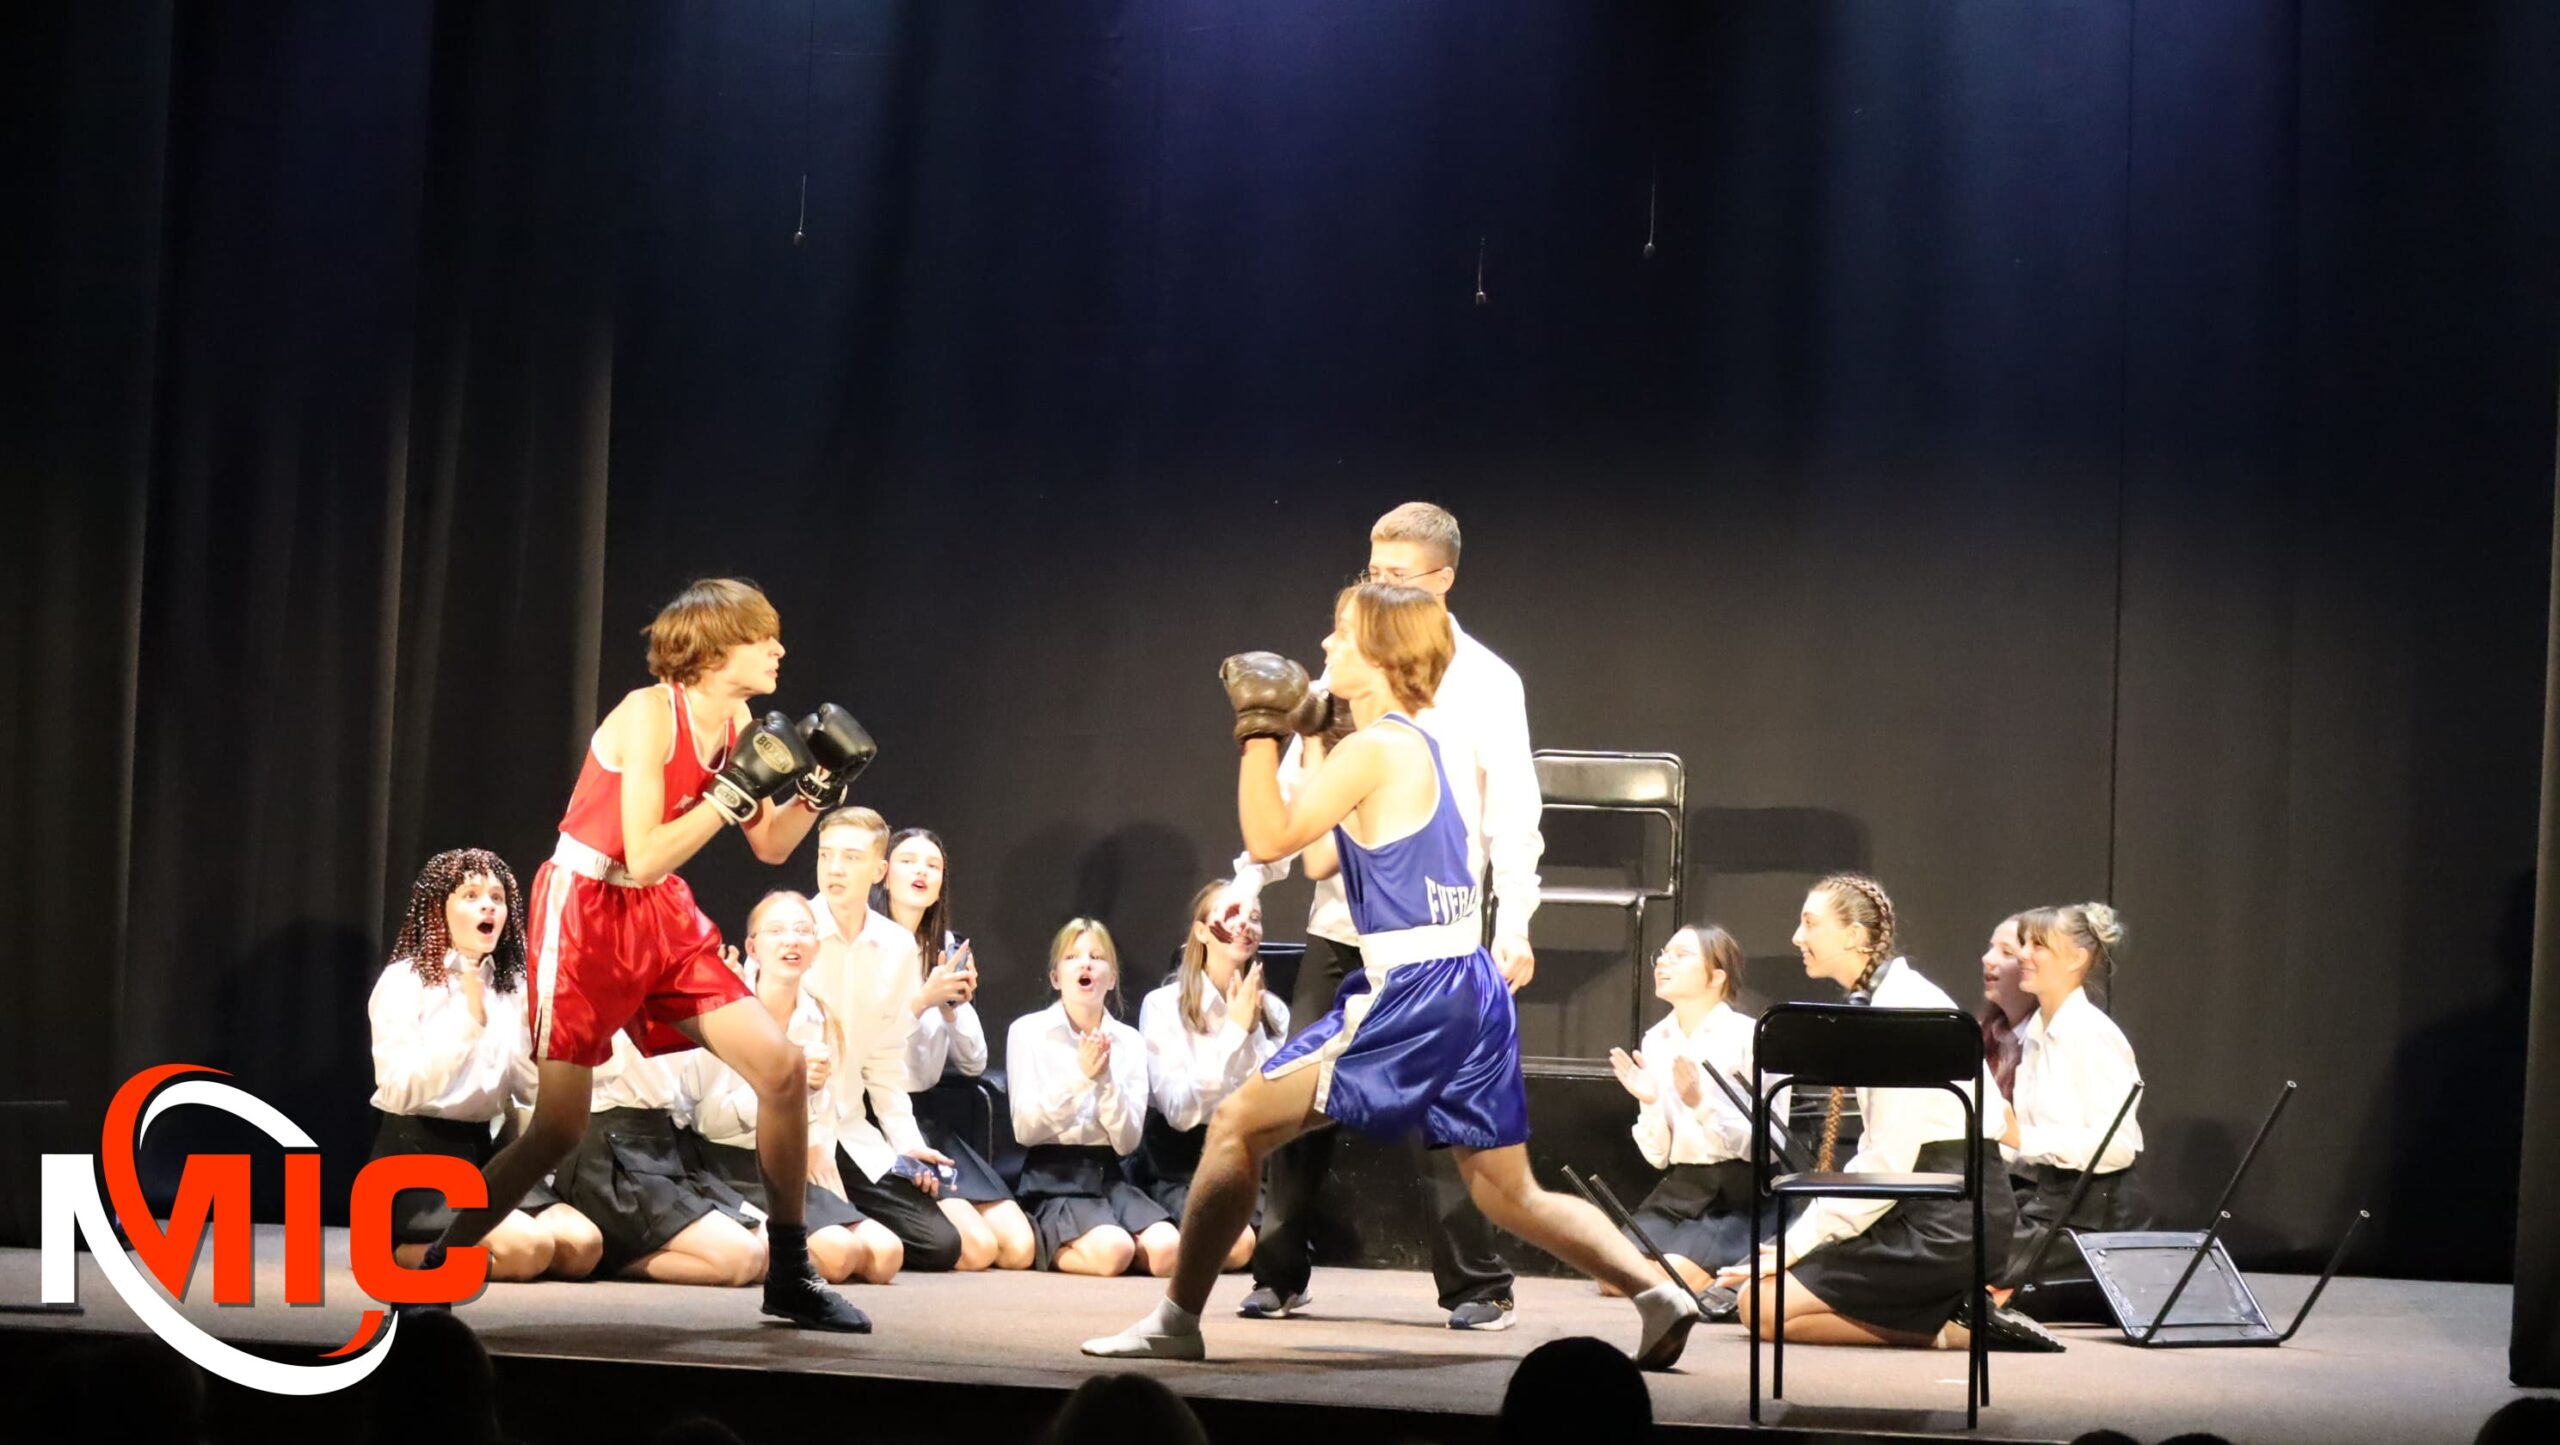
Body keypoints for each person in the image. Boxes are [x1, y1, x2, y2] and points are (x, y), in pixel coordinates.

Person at [1083, 583, 1698, 1367]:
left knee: (1236, 1124)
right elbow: (1318, 856)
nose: (1325, 646)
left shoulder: (1377, 750)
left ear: (1379, 654)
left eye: (1341, 635)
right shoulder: (1413, 743)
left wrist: (1259, 731)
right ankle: (1657, 1292)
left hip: (1414, 988)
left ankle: (1176, 1320)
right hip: (1467, 984)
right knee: (1510, 1192)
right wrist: (1314, 737)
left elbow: (1268, 837)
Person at [417, 578, 874, 1330]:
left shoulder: (737, 720)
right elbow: (647, 850)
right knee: (557, 1127)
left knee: (783, 1069)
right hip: (585, 907)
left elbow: (769, 845)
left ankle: (790, 1272)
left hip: (658, 913)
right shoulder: (648, 713)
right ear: (718, 646)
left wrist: (817, 790)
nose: (779, 649)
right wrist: (728, 794)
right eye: (763, 637)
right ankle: (440, 1266)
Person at [1229, 502, 1541, 1330]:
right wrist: (1248, 882)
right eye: (1372, 572)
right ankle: (1278, 1270)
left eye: (1397, 575)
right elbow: (1295, 803)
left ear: (1443, 579)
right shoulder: (1346, 667)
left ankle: (1477, 1283)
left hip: (1431, 938)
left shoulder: (1487, 681)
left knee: (1452, 1115)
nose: (1379, 588)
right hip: (1344, 923)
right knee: (1294, 1101)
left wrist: (1514, 923)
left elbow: (1513, 813)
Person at [1710, 875, 2054, 1352]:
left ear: (1853, 935)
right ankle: (1953, 1316)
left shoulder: (1902, 1006)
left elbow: (1889, 1162)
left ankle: (1962, 1329)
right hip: (1924, 1202)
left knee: (1762, 1305)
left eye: (1810, 923)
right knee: (1759, 1299)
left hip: (1946, 1220)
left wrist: (1796, 1245)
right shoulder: (1891, 997)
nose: (1796, 937)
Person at [368, 848, 602, 1281]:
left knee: (582, 1246)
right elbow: (397, 1089)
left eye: (497, 897)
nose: (488, 906)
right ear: (439, 908)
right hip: (418, 1157)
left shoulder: (512, 985)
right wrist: (468, 1026)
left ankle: (461, 1247)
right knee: (527, 1251)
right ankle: (397, 1252)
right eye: (471, 896)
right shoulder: (405, 981)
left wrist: (543, 1043)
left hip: (485, 1154)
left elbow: (525, 1089)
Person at [681, 890, 905, 1285]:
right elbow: (706, 1121)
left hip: (784, 1164)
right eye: (777, 931)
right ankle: (756, 1257)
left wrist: (817, 1140)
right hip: (724, 1162)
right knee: (839, 1254)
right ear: (753, 947)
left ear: (816, 946)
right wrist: (785, 1086)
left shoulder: (819, 1017)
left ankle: (775, 1251)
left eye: (803, 931)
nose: (791, 941)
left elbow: (821, 1112)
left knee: (886, 1254)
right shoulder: (726, 1012)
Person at [803, 806, 969, 1272]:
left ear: (878, 871)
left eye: (851, 857)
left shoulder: (895, 944)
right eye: (826, 855)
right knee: (857, 1256)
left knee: (941, 1245)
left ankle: (847, 1221)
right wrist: (809, 1139)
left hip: (851, 1131)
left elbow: (885, 1061)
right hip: (793, 1133)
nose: (835, 868)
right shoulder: (795, 929)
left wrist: (905, 1143)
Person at [878, 826, 1038, 1269]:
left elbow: (974, 1063)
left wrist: (953, 1008)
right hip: (881, 1115)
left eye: (933, 865)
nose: (921, 872)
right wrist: (922, 1000)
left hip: (929, 1116)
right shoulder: (868, 944)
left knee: (1018, 1248)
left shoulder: (946, 946)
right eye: (908, 861)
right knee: (976, 1249)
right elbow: (867, 1047)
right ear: (884, 874)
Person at [1603, 923, 1788, 1294]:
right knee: (1610, 1275)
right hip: (1684, 1187)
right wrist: (1650, 1103)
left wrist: (1702, 1105)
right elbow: (1658, 1157)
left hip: (1738, 1191)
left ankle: (1723, 1276)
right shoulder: (1656, 1039)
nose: (1663, 962)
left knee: (1669, 1279)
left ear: (1717, 976)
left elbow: (1772, 1144)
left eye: (1680, 955)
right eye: (1663, 954)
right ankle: (1713, 1276)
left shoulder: (1752, 1037)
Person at [1998, 902, 2151, 1306]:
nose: (2023, 954)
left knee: (1972, 1265)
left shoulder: (2091, 1034)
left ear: (2076, 958)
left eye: (2038, 945)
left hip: (2091, 1217)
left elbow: (2118, 1147)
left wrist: (2021, 1138)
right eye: (2023, 943)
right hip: (2044, 1200)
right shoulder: (2036, 1031)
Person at [1009, 920, 1181, 1275]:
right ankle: (1050, 1244)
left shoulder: (1129, 1041)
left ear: (1112, 978)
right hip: (1054, 1178)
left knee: (1168, 1249)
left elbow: (1127, 1142)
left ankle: (1106, 1243)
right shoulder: (1028, 1032)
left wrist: (1104, 1082)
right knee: (1115, 1250)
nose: (1085, 964)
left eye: (1097, 957)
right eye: (1072, 957)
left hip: (1108, 1176)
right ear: (1056, 977)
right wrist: (1080, 1077)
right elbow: (1025, 1130)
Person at [1134, 881, 1290, 1266]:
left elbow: (1270, 1101)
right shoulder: (1163, 1006)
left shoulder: (1273, 1011)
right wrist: (1233, 1033)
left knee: (1265, 1244)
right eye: (1232, 914)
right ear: (1202, 931)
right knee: (1236, 1245)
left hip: (1244, 1162)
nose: (1245, 925)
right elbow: (1179, 1113)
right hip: (1179, 1163)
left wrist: (1251, 1031)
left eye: (1254, 917)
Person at [1980, 915, 2034, 1104]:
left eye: (2007, 952)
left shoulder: (2049, 1039)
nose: (1987, 958)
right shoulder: (1982, 1035)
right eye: (1990, 948)